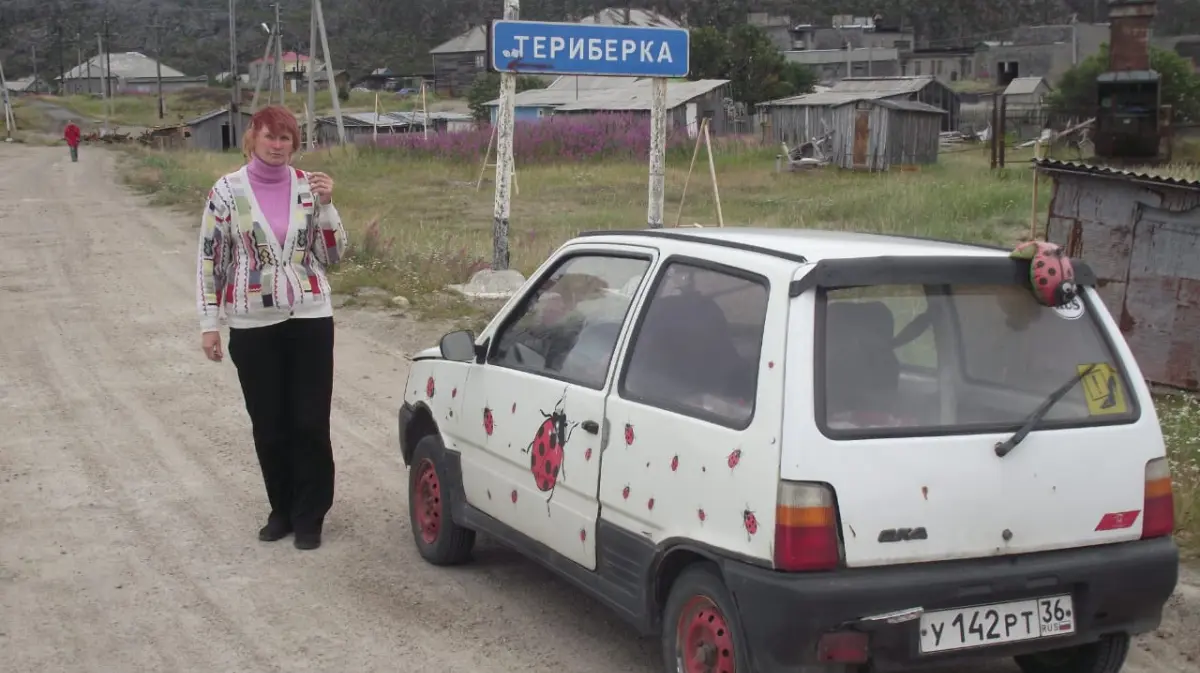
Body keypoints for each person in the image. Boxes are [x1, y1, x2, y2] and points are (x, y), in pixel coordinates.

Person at [195, 105, 348, 551]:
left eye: (287, 139)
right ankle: (280, 509)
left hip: (311, 318)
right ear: (253, 138)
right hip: (252, 322)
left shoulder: (308, 187)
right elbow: (209, 261)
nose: (279, 146)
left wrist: (327, 206)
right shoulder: (226, 192)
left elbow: (334, 256)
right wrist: (210, 324)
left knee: (310, 422)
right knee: (270, 423)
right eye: (271, 137)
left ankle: (310, 515)